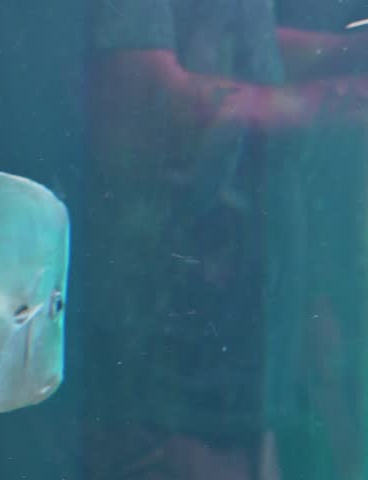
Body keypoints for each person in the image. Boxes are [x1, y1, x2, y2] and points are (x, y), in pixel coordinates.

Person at [81, 1, 368, 478]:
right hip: (163, 389)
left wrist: (347, 52)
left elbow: (238, 49)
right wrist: (343, 100)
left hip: (231, 381)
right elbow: (139, 101)